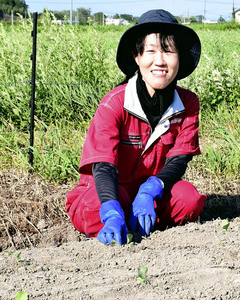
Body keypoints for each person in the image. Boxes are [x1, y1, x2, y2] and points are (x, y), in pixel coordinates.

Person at [66, 9, 206, 245]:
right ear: (137, 56)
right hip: (110, 189)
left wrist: (150, 189)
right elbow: (103, 166)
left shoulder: (188, 103)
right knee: (98, 206)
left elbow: (179, 160)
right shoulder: (115, 103)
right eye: (151, 51)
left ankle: (141, 221)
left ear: (179, 57)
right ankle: (118, 219)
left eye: (169, 51)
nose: (160, 61)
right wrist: (111, 209)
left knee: (188, 200)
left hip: (151, 193)